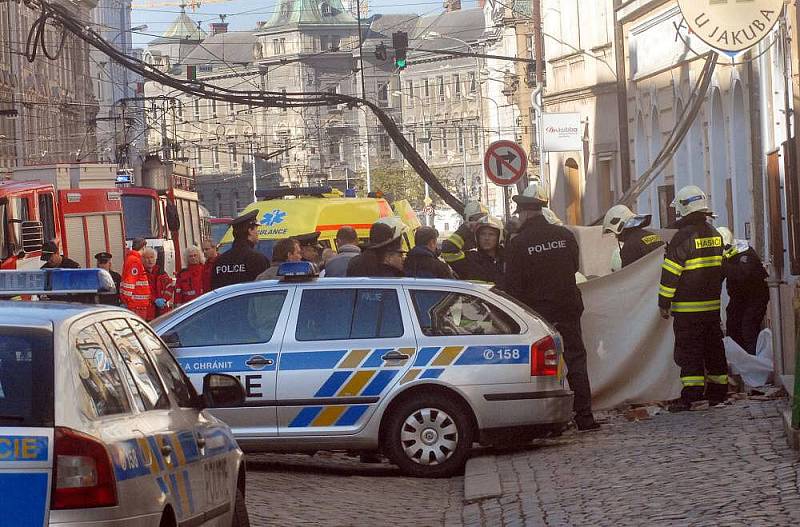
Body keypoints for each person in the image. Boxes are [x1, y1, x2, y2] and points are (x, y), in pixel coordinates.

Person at [504, 182, 599, 431]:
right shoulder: (565, 235)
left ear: (524, 212)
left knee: (544, 366)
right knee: (576, 360)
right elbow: (574, 268)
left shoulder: (518, 243)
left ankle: (551, 421)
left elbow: (513, 286)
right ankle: (585, 417)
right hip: (568, 307)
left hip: (538, 315)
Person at [658, 185, 727, 411]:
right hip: (712, 308)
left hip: (688, 310)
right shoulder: (716, 235)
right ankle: (718, 392)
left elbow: (670, 274)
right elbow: (722, 270)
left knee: (690, 352)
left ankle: (692, 395)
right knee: (714, 349)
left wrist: (663, 303)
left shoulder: (682, 238)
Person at [717, 227, 770, 355]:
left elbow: (742, 274)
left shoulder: (744, 252)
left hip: (755, 297)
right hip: (739, 298)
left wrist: (722, 265)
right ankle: (738, 361)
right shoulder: (727, 256)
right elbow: (718, 279)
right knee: (732, 325)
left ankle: (753, 361)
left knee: (748, 328)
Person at [211, 210, 270, 289]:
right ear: (250, 231)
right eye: (256, 229)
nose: (257, 233)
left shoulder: (219, 261)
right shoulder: (258, 259)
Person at [441, 215, 506, 285]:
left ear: (499, 237)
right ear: (477, 237)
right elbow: (448, 250)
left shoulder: (508, 259)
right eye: (482, 234)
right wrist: (466, 228)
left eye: (491, 234)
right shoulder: (469, 260)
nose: (486, 238)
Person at [120, 238, 151, 319]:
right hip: (136, 306)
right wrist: (129, 302)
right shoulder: (135, 261)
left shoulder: (131, 259)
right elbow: (129, 282)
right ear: (143, 247)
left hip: (135, 305)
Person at [142, 247, 174, 319]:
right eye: (147, 258)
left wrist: (165, 299)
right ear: (143, 260)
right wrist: (154, 300)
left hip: (163, 309)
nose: (150, 260)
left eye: (152, 257)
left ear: (156, 259)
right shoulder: (141, 274)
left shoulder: (161, 272)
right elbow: (142, 292)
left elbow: (169, 287)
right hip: (148, 311)